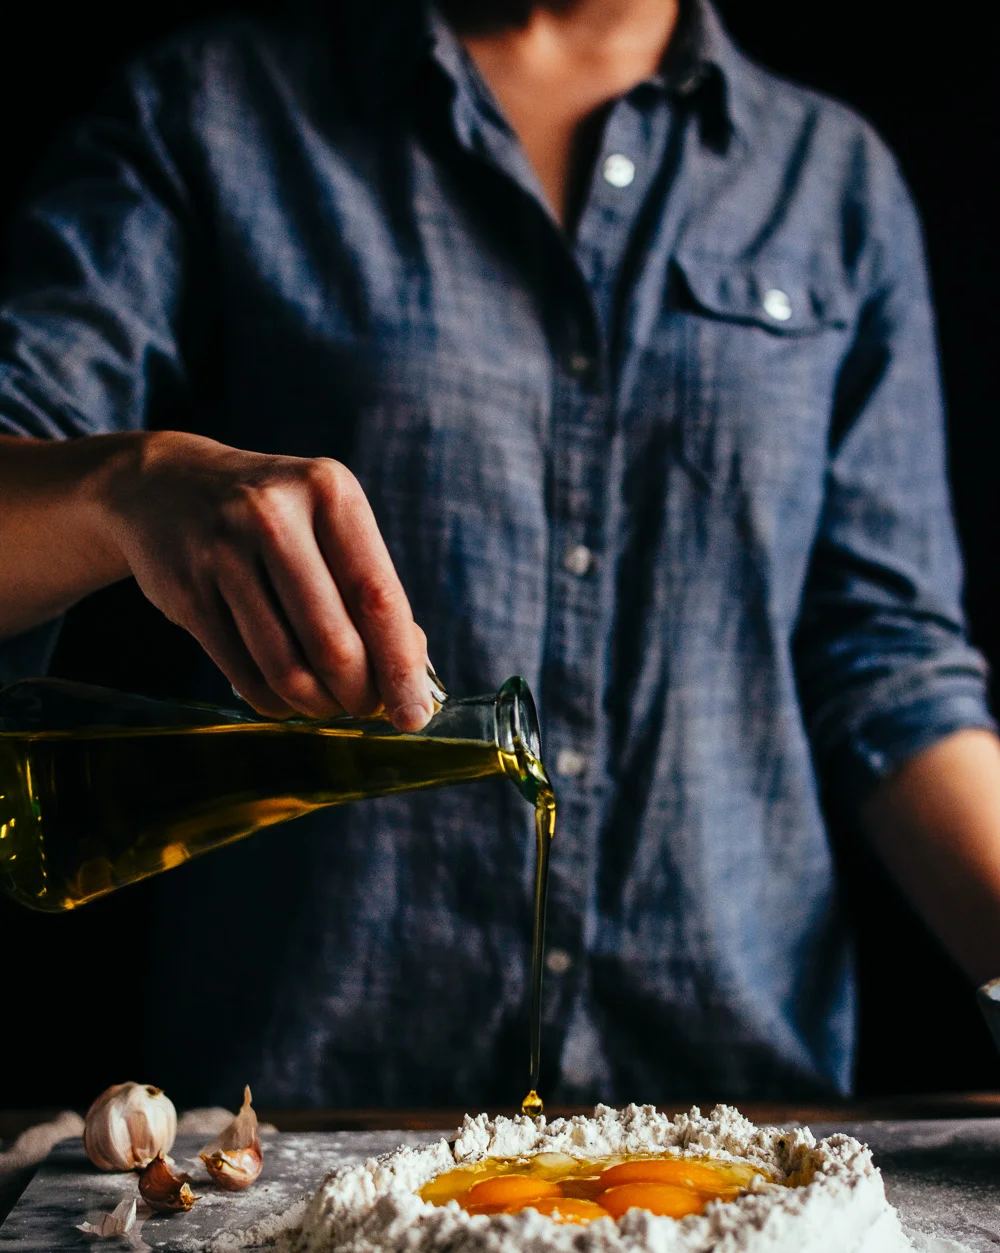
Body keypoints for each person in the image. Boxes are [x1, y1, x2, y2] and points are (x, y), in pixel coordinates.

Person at [1, 0, 998, 1108]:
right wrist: (123, 484)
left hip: (739, 1115)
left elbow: (890, 666)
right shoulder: (214, 110)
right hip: (302, 1118)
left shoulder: (831, 179)